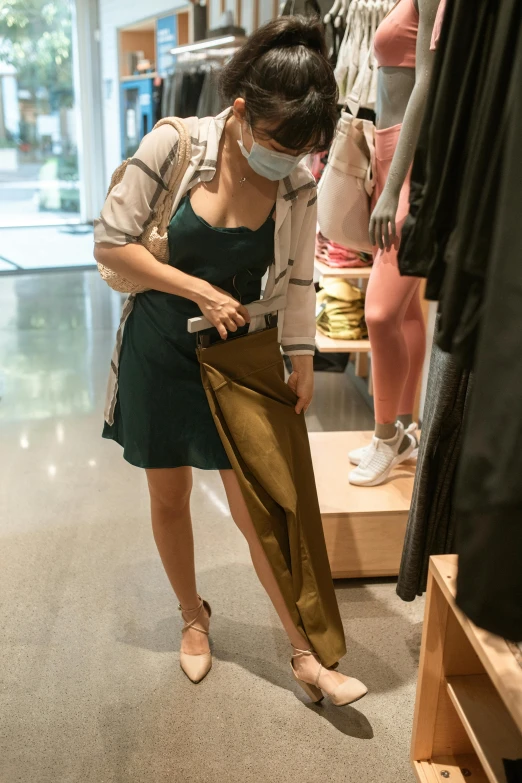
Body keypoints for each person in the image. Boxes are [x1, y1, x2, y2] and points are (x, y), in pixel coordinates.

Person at [94, 16, 367, 707]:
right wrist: (196, 287)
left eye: (303, 148)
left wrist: (302, 355)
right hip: (161, 346)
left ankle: (305, 652)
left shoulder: (297, 186)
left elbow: (301, 278)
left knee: (264, 508)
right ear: (242, 111)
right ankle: (194, 616)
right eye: (280, 144)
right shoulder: (176, 146)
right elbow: (111, 243)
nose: (290, 159)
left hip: (244, 360)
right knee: (169, 495)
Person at [348, 0, 440, 487]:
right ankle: (402, 431)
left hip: (410, 157)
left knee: (379, 313)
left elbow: (427, 79)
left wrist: (392, 186)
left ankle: (387, 437)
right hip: (391, 150)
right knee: (404, 311)